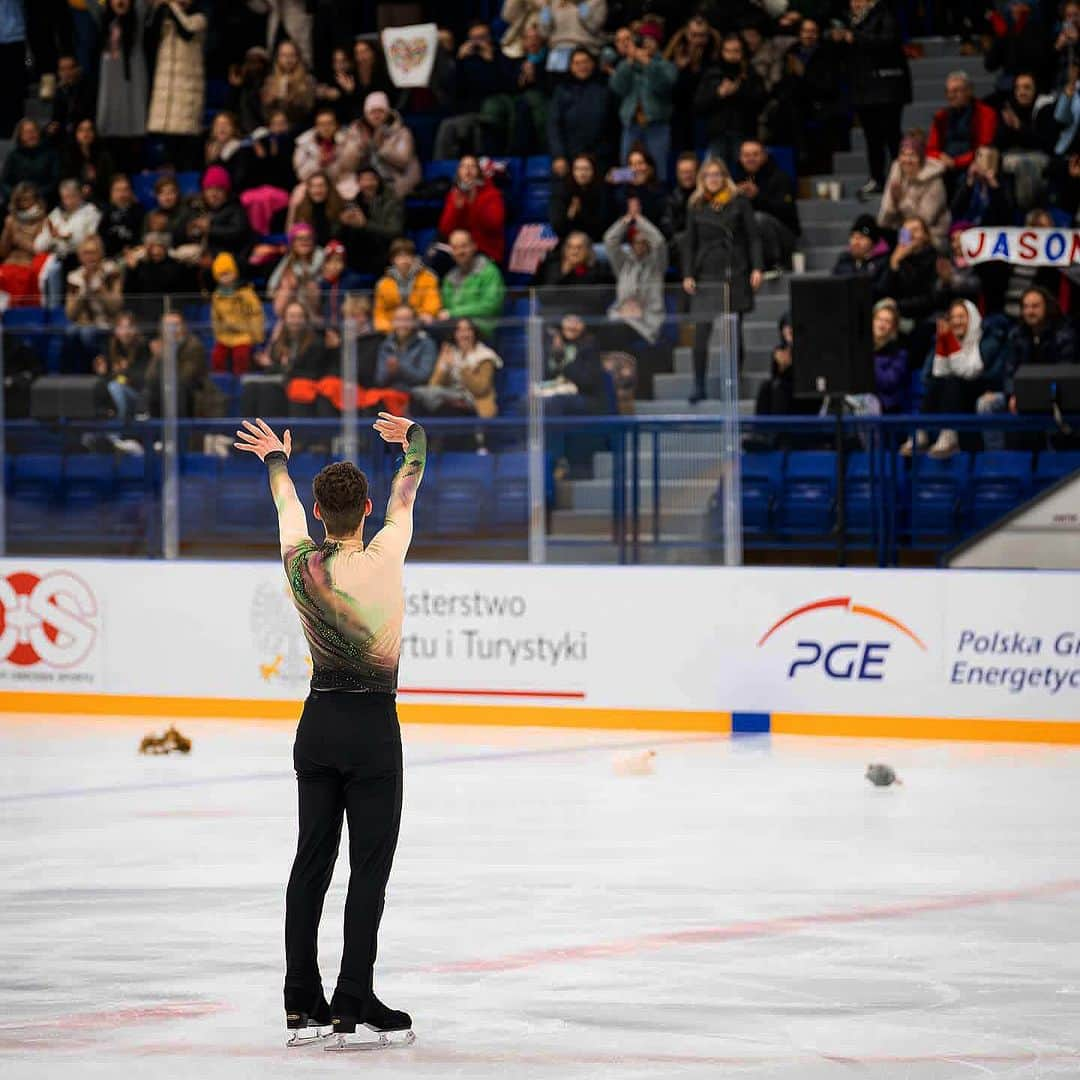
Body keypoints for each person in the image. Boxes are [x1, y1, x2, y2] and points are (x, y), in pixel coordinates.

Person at [231, 409, 425, 1050]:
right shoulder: (387, 551)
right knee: (368, 868)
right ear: (366, 509)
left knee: (310, 862)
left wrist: (275, 460)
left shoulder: (300, 565)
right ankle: (352, 999)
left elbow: (282, 504)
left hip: (316, 727)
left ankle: (300, 1002)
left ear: (320, 513)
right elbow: (410, 483)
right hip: (372, 731)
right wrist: (411, 438)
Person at [682, 157, 763, 404]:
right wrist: (687, 273)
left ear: (724, 176)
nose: (713, 179)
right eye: (708, 175)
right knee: (701, 335)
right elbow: (689, 244)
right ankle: (698, 385)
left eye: (717, 174)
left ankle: (733, 382)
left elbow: (753, 237)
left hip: (734, 270)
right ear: (702, 179)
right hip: (706, 273)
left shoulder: (739, 202)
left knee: (733, 333)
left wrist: (757, 267)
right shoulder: (696, 205)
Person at [903, 298, 1009, 459]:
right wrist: (942, 342)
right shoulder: (946, 339)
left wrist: (950, 341)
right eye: (953, 318)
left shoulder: (987, 339)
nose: (956, 322)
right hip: (953, 394)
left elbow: (969, 372)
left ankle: (949, 433)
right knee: (941, 381)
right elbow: (937, 373)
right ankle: (921, 432)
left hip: (981, 389)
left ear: (972, 318)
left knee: (953, 380)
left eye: (961, 317)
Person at [977, 287, 1078, 427]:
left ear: (1047, 307)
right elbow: (1010, 370)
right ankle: (997, 450)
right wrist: (1013, 393)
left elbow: (1065, 373)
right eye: (1026, 307)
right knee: (986, 404)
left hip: (1055, 397)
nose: (1030, 311)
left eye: (1035, 306)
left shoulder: (1063, 335)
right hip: (1021, 394)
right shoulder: (1016, 335)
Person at [411, 317, 501, 441]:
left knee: (438, 404)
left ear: (474, 333)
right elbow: (434, 384)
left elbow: (481, 389)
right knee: (419, 395)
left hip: (474, 401)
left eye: (468, 330)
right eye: (460, 330)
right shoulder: (450, 352)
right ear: (454, 334)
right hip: (449, 397)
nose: (464, 334)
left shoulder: (485, 356)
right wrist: (444, 367)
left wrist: (463, 367)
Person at [145, 0, 208, 169]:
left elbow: (186, 31)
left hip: (187, 91)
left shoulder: (199, 19)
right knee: (167, 150)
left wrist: (169, 4)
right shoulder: (166, 21)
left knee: (185, 148)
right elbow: (149, 35)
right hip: (165, 95)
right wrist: (158, 8)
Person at [608, 25, 676, 180]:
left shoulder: (665, 65)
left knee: (658, 170)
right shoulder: (626, 65)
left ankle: (658, 202)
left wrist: (648, 64)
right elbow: (617, 87)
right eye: (644, 41)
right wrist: (629, 62)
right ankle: (630, 202)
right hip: (631, 126)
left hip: (657, 126)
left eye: (651, 41)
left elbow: (664, 87)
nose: (647, 44)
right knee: (627, 172)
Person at [433, 21, 508, 158]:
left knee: (473, 127)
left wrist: (490, 60)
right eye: (474, 39)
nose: (478, 43)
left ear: (490, 38)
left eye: (482, 38)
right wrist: (459, 60)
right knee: (447, 126)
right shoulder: (465, 60)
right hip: (467, 111)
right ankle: (443, 169)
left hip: (492, 112)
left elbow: (504, 87)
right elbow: (452, 90)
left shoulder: (499, 56)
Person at [694, 33, 766, 169]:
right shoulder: (712, 74)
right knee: (713, 174)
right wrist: (718, 94)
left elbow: (760, 103)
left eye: (736, 51)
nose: (732, 55)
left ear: (743, 52)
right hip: (717, 135)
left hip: (744, 134)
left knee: (744, 176)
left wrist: (738, 92)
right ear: (721, 52)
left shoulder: (751, 74)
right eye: (727, 51)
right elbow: (698, 105)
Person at [96, 0, 150, 175]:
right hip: (110, 93)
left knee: (133, 151)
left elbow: (142, 5)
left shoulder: (138, 21)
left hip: (132, 90)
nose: (120, 1)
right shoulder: (103, 20)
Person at [926, 72, 998, 195]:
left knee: (978, 166)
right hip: (945, 163)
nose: (951, 96)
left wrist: (957, 162)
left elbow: (984, 147)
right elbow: (931, 148)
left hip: (973, 161)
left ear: (969, 91)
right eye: (949, 92)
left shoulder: (986, 113)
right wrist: (940, 156)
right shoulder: (941, 116)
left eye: (956, 91)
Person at [734, 139, 800, 274]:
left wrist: (757, 196)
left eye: (755, 154)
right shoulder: (735, 181)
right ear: (740, 158)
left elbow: (786, 213)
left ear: (764, 156)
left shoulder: (780, 178)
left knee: (758, 219)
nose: (751, 158)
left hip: (784, 238)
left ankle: (775, 264)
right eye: (746, 155)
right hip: (752, 238)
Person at [994, 72, 1057, 211]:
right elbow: (998, 143)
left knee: (1022, 164)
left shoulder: (1045, 109)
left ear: (1035, 90)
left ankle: (1025, 212)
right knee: (987, 156)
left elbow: (1047, 144)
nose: (1022, 92)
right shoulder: (1009, 108)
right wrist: (1006, 128)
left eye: (1027, 88)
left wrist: (1019, 127)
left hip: (1039, 155)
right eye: (1018, 88)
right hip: (1011, 154)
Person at [547, 48, 615, 177]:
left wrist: (614, 162)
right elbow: (554, 125)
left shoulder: (605, 88)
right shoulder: (562, 90)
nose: (582, 66)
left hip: (601, 158)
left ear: (593, 63)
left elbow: (614, 127)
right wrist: (558, 155)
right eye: (577, 63)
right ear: (571, 66)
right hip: (569, 159)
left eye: (585, 62)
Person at [602, 210, 666, 347]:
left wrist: (639, 220)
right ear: (631, 244)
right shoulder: (623, 264)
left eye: (644, 242)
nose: (640, 245)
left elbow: (659, 242)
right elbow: (609, 241)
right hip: (622, 317)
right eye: (636, 242)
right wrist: (625, 222)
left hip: (646, 321)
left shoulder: (657, 265)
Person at [36, 179, 102, 307]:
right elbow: (38, 246)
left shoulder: (91, 212)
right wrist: (51, 236)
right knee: (53, 269)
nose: (69, 201)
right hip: (59, 259)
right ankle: (54, 313)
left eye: (73, 196)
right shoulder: (55, 215)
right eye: (65, 197)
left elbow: (91, 241)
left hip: (81, 260)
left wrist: (68, 239)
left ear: (80, 195)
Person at [877, 133, 950, 250]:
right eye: (903, 155)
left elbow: (923, 221)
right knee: (875, 233)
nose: (907, 160)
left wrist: (900, 201)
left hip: (931, 235)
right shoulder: (897, 173)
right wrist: (892, 203)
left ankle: (898, 259)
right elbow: (883, 220)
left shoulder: (935, 181)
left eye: (912, 155)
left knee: (905, 243)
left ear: (920, 158)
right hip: (903, 231)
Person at [65, 235, 124, 365]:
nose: (90, 257)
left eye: (93, 253)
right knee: (70, 332)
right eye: (86, 253)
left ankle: (101, 366)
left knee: (87, 333)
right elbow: (70, 314)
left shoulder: (111, 272)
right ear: (80, 256)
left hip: (109, 322)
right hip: (86, 324)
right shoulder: (74, 278)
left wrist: (100, 289)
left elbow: (116, 306)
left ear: (101, 254)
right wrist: (84, 289)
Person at [437, 155, 506, 264]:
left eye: (472, 166)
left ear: (479, 173)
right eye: (463, 166)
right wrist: (457, 209)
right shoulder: (454, 195)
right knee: (436, 257)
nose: (468, 170)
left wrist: (473, 203)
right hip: (458, 248)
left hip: (485, 249)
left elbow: (494, 225)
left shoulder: (492, 195)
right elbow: (445, 230)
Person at [438, 229, 506, 338]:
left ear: (474, 246)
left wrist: (454, 313)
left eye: (464, 246)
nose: (460, 251)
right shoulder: (449, 278)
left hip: (481, 330)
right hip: (454, 329)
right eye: (455, 248)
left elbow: (490, 306)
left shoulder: (489, 272)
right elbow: (446, 307)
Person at [353, 92, 420, 200]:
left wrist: (381, 148)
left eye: (380, 111)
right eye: (372, 112)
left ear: (388, 112)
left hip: (394, 181)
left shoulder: (402, 133)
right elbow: (348, 165)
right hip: (362, 183)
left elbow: (403, 161)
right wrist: (361, 148)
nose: (376, 115)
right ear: (366, 114)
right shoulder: (356, 132)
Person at [292, 107, 364, 204]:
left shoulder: (347, 140)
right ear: (316, 126)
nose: (326, 128)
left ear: (336, 125)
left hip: (341, 182)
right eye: (322, 124)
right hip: (315, 184)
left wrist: (336, 157)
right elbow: (301, 174)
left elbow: (351, 167)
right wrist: (319, 163)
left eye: (329, 123)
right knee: (298, 195)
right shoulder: (304, 143)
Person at [339, 167, 403, 277]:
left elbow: (394, 232)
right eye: (364, 180)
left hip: (381, 254)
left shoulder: (392, 202)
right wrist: (343, 223)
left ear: (378, 181)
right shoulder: (352, 202)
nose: (368, 184)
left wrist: (365, 225)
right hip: (355, 257)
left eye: (371, 179)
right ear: (358, 183)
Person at [210, 252, 265, 376]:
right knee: (217, 358)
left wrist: (256, 337)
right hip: (225, 336)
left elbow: (255, 314)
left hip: (244, 335)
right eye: (221, 275)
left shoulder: (246, 293)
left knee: (241, 358)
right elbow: (215, 317)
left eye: (228, 273)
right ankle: (221, 384)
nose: (226, 278)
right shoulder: (217, 295)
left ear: (234, 273)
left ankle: (241, 383)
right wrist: (218, 333)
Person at [373, 238, 441, 334]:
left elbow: (432, 307)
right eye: (400, 256)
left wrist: (412, 322)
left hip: (420, 328)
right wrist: (392, 329)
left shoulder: (429, 278)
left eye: (408, 255)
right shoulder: (383, 284)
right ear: (392, 260)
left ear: (414, 257)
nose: (404, 260)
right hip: (391, 332)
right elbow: (379, 316)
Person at [94, 310, 149, 423]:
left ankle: (119, 430)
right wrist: (104, 373)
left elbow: (140, 380)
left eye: (129, 327)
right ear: (116, 331)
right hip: (116, 398)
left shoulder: (143, 348)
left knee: (116, 387)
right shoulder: (110, 348)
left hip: (138, 398)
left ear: (136, 330)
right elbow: (107, 380)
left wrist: (122, 374)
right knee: (102, 386)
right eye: (121, 328)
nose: (125, 332)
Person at [122, 231, 191, 320]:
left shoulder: (175, 265)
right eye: (152, 247)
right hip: (144, 312)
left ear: (165, 248)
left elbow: (165, 284)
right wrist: (131, 271)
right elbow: (129, 292)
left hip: (168, 311)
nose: (155, 251)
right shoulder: (140, 266)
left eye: (159, 246)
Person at [0, 183, 49, 306]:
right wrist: (7, 232)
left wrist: (19, 240)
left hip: (29, 266)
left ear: (36, 200)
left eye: (28, 199)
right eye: (20, 200)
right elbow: (3, 253)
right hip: (8, 264)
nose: (24, 204)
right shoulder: (11, 220)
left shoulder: (43, 221)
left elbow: (39, 250)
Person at [375, 305, 437, 399]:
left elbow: (424, 377)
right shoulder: (386, 344)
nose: (402, 324)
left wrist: (400, 367)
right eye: (398, 319)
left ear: (415, 322)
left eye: (407, 320)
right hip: (390, 394)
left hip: (415, 395)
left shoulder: (426, 343)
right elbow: (379, 380)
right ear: (393, 322)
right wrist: (390, 372)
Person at [550, 153, 612, 243]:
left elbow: (604, 225)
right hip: (568, 241)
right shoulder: (562, 192)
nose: (582, 173)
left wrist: (582, 212)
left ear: (593, 171)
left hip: (595, 241)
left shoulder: (602, 191)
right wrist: (571, 214)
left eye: (586, 169)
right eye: (577, 169)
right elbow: (557, 227)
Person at [949, 146, 1015, 227]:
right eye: (978, 157)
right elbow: (955, 211)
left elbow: (1007, 216)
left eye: (984, 158)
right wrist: (969, 183)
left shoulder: (1004, 182)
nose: (979, 162)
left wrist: (994, 186)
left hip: (992, 231)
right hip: (967, 229)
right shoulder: (967, 180)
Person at [268, 223, 324, 317]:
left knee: (310, 285)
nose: (305, 241)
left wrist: (295, 277)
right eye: (300, 238)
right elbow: (275, 277)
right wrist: (273, 289)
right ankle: (285, 319)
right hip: (295, 299)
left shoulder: (319, 253)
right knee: (285, 285)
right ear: (293, 243)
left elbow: (310, 272)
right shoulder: (289, 258)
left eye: (308, 238)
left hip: (317, 301)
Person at [1, 119, 60, 204]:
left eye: (34, 131)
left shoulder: (51, 154)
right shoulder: (13, 155)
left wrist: (35, 194)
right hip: (18, 200)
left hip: (43, 200)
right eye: (26, 132)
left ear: (39, 132)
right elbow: (4, 182)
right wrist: (16, 194)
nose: (31, 135)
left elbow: (54, 181)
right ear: (20, 135)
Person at [60, 118, 116, 206]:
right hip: (74, 197)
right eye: (81, 130)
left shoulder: (104, 155)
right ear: (75, 133)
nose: (85, 134)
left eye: (89, 130)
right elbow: (65, 179)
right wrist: (80, 188)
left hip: (100, 197)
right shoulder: (68, 155)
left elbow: (108, 180)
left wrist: (92, 187)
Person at [261, 39, 316, 128]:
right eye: (284, 55)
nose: (288, 59)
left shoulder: (308, 81)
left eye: (292, 55)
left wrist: (291, 97)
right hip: (275, 128)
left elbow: (308, 110)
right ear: (278, 58)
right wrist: (270, 101)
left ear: (298, 57)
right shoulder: (270, 81)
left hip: (299, 128)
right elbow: (265, 113)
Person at [868, 299, 910, 415]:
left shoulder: (899, 354)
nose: (882, 324)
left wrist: (868, 358)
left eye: (887, 321)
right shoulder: (859, 349)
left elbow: (888, 383)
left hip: (885, 407)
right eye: (879, 319)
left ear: (893, 327)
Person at [541, 0, 606, 74]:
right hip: (559, 48)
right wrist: (545, 8)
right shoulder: (554, 2)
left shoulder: (597, 2)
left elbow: (593, 26)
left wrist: (581, 4)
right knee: (556, 79)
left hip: (585, 46)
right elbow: (544, 32)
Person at [287, 171, 344, 246]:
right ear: (308, 189)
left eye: (321, 185)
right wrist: (293, 207)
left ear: (328, 188)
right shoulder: (302, 209)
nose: (317, 190)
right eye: (313, 186)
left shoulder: (338, 207)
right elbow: (290, 237)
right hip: (311, 253)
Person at [831, 214, 890, 279]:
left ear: (872, 242)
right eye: (853, 237)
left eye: (861, 237)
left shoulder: (883, 264)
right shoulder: (844, 261)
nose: (855, 242)